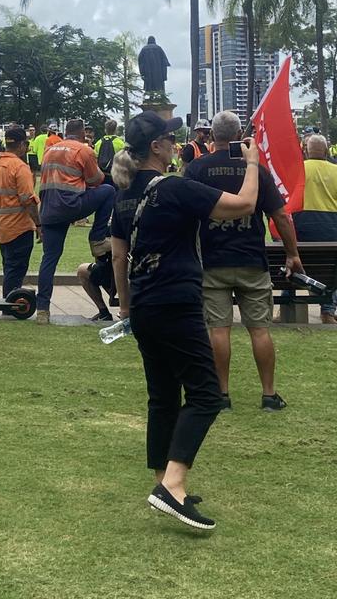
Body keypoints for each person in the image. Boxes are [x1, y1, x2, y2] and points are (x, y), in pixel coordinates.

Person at [110, 111, 260, 531]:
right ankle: (172, 484)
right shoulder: (173, 189)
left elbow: (120, 257)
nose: (176, 144)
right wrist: (252, 163)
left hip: (143, 306)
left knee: (162, 396)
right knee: (206, 394)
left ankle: (164, 483)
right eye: (170, 139)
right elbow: (244, 205)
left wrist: (125, 308)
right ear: (155, 147)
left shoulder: (122, 196)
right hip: (176, 301)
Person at [183, 110, 304, 408]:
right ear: (239, 136)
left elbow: (184, 215)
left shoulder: (197, 169)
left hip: (213, 260)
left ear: (212, 135)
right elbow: (281, 217)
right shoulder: (257, 171)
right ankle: (268, 394)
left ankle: (222, 394)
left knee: (219, 329)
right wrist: (292, 254)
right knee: (259, 329)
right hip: (251, 259)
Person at [37, 119, 115, 325]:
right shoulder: (83, 150)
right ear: (82, 134)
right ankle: (98, 237)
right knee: (108, 191)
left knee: (49, 259)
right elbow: (96, 180)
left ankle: (42, 309)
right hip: (71, 205)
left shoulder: (50, 150)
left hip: (49, 211)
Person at [0, 125, 41, 302]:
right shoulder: (20, 167)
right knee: (15, 269)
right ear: (22, 145)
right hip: (19, 227)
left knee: (8, 267)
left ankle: (9, 300)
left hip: (0, 226)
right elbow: (27, 200)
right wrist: (39, 224)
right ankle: (11, 304)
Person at [290, 133, 337, 323]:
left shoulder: (296, 170)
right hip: (331, 227)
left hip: (301, 225)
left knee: (292, 261)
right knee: (333, 265)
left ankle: (287, 305)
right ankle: (327, 309)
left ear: (306, 151)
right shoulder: (335, 170)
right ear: (326, 151)